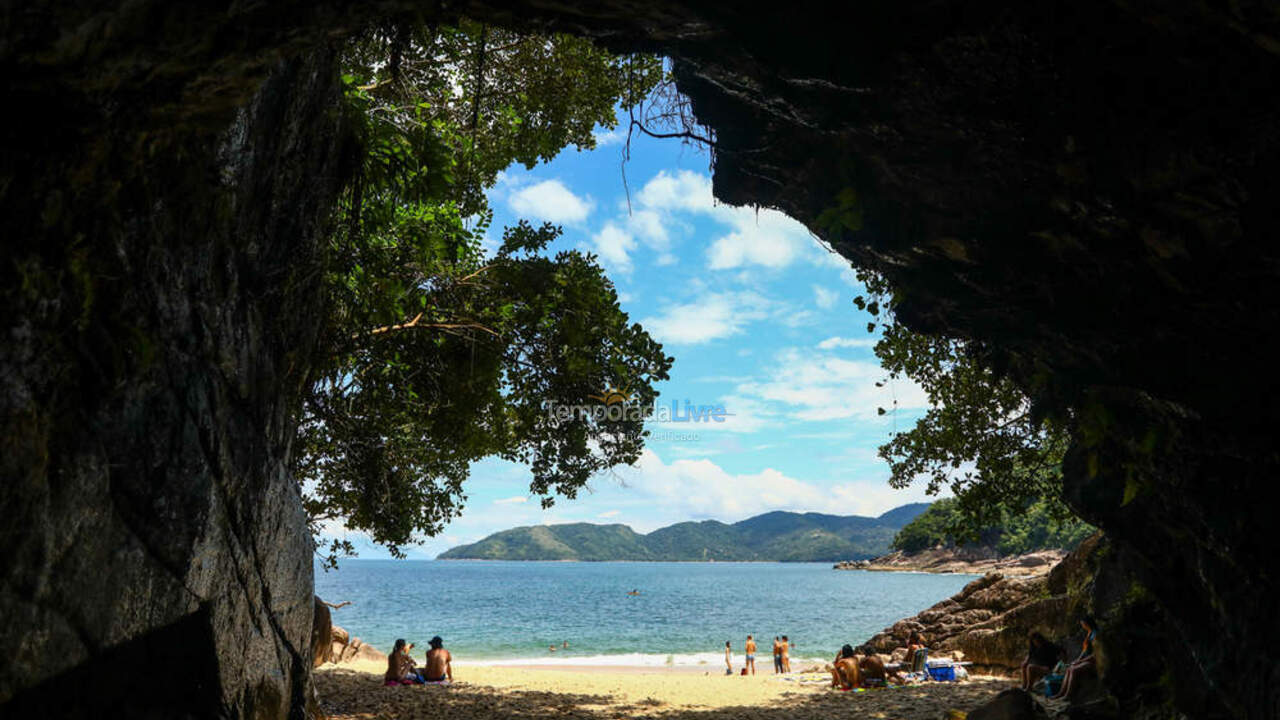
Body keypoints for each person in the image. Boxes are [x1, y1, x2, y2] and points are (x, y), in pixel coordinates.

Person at [1051, 617, 1098, 700]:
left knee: (1073, 670)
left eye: (1083, 624)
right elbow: (1084, 651)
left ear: (1088, 624)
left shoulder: (1095, 634)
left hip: (1093, 661)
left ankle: (1068, 695)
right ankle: (1061, 693)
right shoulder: (1089, 633)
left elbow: (1095, 654)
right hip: (1086, 659)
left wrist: (1081, 661)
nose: (1083, 626)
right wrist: (1078, 660)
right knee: (1069, 668)